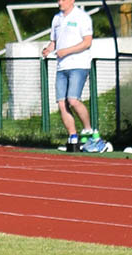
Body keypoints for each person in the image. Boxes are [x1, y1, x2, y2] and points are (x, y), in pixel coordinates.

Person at [42, 0, 94, 151]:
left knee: (73, 99)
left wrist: (66, 51)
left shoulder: (82, 17)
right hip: (61, 66)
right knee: (61, 103)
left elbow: (87, 42)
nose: (60, 2)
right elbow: (54, 42)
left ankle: (88, 129)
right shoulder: (56, 19)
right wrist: (47, 49)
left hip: (78, 64)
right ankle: (73, 137)